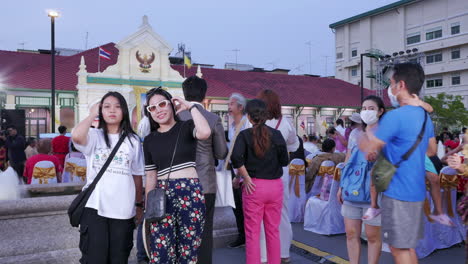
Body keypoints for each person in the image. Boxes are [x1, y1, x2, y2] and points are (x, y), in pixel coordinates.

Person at [359, 63, 437, 264]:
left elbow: (370, 150)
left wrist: (365, 134)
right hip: (416, 191)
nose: (390, 89)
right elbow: (432, 151)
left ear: (401, 85)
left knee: (398, 249)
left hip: (397, 192)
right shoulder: (423, 115)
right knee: (407, 247)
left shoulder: (394, 117)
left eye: (392, 84)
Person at [72, 91, 144, 263]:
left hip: (124, 210)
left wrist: (139, 205)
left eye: (118, 106)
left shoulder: (133, 141)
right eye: (107, 106)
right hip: (95, 207)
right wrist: (92, 114)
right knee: (94, 258)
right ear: (101, 111)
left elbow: (137, 176)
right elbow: (76, 136)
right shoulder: (94, 136)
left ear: (124, 111)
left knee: (119, 258)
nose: (112, 110)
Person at [143, 87, 211, 263]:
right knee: (161, 251)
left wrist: (191, 107)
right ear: (149, 113)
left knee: (188, 251)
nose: (158, 110)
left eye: (162, 104)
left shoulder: (187, 127)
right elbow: (151, 176)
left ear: (172, 105)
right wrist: (147, 208)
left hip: (190, 192)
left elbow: (205, 132)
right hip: (161, 197)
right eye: (152, 108)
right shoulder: (150, 140)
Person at [231, 99, 289, 264]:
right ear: (265, 116)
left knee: (252, 233)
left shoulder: (244, 135)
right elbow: (284, 161)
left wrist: (245, 177)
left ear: (249, 117)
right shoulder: (276, 135)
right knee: (273, 231)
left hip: (253, 187)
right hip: (275, 186)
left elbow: (236, 158)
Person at [179, 76, 228, 264]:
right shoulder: (213, 118)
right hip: (205, 183)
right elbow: (222, 152)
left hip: (179, 183)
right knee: (205, 233)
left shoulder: (175, 117)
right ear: (204, 94)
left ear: (184, 94)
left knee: (181, 231)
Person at [338, 95, 385, 264]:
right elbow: (348, 161)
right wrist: (341, 186)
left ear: (380, 111)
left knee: (372, 236)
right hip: (352, 189)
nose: (366, 112)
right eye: (364, 108)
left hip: (375, 192)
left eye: (371, 108)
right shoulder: (356, 134)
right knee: (351, 233)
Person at [257, 89, 299, 263]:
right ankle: (283, 253)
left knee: (259, 217)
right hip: (280, 174)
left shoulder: (252, 122)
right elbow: (294, 145)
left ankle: (264, 256)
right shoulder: (286, 122)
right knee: (282, 214)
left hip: (258, 174)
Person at [227, 92, 252, 248]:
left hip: (244, 169)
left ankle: (249, 236)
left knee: (246, 205)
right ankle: (241, 234)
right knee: (235, 204)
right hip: (233, 168)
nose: (228, 107)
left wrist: (239, 174)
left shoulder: (247, 124)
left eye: (231, 104)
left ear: (240, 107)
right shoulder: (231, 125)